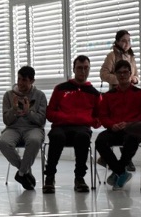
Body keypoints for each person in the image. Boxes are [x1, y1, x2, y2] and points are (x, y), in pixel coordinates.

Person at [43, 55, 100, 194]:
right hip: (61, 126)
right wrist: (64, 118)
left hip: (82, 128)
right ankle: (49, 177)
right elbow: (49, 113)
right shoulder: (60, 89)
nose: (83, 71)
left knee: (83, 137)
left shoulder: (94, 93)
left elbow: (99, 119)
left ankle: (79, 178)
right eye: (79, 68)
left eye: (86, 68)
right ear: (74, 69)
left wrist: (87, 121)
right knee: (57, 137)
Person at [94, 59, 141, 190]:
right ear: (115, 75)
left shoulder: (139, 93)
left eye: (125, 72)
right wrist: (112, 125)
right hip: (114, 129)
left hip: (132, 129)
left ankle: (118, 171)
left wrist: (129, 124)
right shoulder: (108, 95)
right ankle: (121, 171)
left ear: (130, 73)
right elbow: (103, 116)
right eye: (119, 72)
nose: (122, 75)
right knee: (100, 141)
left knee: (132, 138)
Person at [0, 65, 47, 191]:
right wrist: (14, 110)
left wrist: (28, 112)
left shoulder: (40, 96)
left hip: (33, 128)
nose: (20, 83)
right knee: (4, 142)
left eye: (24, 80)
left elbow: (41, 121)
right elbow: (6, 120)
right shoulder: (8, 95)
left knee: (35, 140)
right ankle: (25, 171)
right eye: (19, 79)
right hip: (13, 128)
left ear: (32, 81)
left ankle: (21, 174)